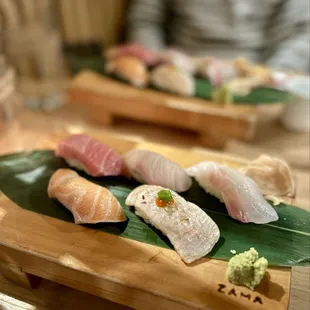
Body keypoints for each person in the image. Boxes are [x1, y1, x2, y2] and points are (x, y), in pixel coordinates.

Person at [126, 0, 310, 72]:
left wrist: (266, 77)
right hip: (180, 67)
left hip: (258, 74)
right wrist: (157, 64)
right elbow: (144, 19)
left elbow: (302, 33)